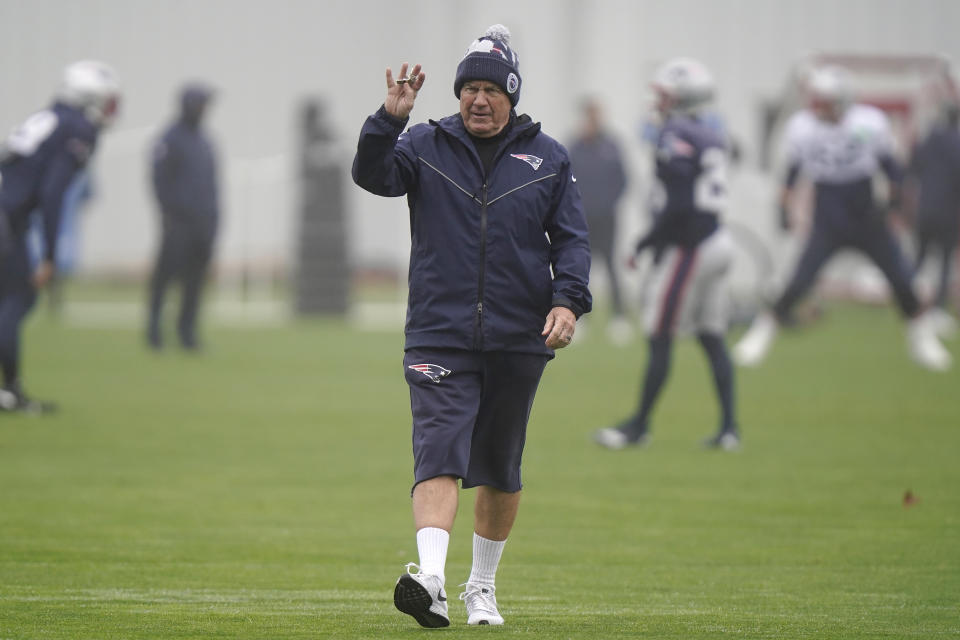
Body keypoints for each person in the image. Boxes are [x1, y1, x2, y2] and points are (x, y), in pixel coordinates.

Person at [351, 24, 591, 628]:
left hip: (518, 336)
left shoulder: (549, 158)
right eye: (469, 89)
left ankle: (480, 587)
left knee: (501, 467)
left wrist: (567, 302)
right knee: (438, 451)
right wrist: (388, 119)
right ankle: (430, 577)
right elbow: (371, 175)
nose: (478, 100)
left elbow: (572, 240)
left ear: (512, 96)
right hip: (438, 331)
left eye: (490, 89)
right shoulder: (424, 145)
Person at [734, 65, 952, 372]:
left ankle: (921, 338)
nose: (816, 106)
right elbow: (792, 173)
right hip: (828, 214)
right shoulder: (802, 127)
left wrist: (892, 203)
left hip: (865, 212)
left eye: (824, 100)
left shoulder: (868, 123)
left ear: (843, 100)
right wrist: (784, 207)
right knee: (799, 280)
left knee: (902, 278)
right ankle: (763, 331)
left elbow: (891, 168)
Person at [593, 58, 740, 452]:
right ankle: (729, 429)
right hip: (717, 240)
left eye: (663, 94)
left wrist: (646, 242)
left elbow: (679, 205)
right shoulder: (709, 132)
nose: (656, 100)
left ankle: (638, 426)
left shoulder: (674, 133)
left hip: (690, 246)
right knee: (711, 336)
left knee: (659, 333)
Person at [0, 60, 120, 412]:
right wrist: (51, 254)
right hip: (6, 214)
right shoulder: (77, 128)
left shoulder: (51, 118)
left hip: (9, 212)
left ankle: (11, 391)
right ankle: (11, 392)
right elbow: (53, 195)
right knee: (20, 296)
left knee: (10, 297)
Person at [146, 83, 220, 351]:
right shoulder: (169, 139)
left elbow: (212, 186)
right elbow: (159, 181)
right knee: (164, 278)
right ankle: (154, 332)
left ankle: (187, 334)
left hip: (204, 224)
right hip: (178, 223)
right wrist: (169, 214)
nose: (204, 110)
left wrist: (214, 219)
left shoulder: (204, 141)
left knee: (195, 282)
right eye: (201, 104)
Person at [568, 98, 630, 343]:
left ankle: (619, 318)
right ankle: (580, 318)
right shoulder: (576, 146)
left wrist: (608, 203)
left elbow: (624, 180)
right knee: (582, 267)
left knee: (612, 266)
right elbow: (566, 179)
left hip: (608, 218)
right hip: (582, 218)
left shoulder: (612, 145)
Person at [905, 102, 960, 335]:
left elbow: (912, 168)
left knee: (919, 259)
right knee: (945, 261)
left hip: (925, 210)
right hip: (949, 211)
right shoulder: (956, 143)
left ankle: (909, 305)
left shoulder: (928, 140)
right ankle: (936, 310)